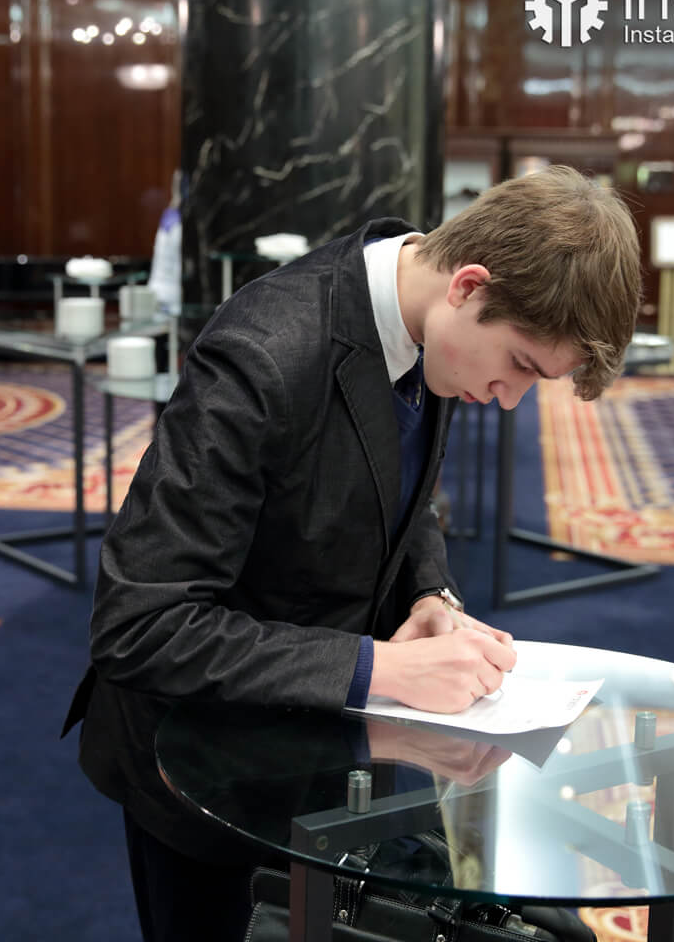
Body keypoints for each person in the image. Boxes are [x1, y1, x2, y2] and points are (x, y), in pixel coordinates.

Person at [61, 164, 643, 942]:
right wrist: (382, 669)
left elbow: (398, 490)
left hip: (330, 750)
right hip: (202, 770)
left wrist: (430, 596)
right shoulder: (263, 354)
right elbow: (142, 625)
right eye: (520, 367)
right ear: (468, 286)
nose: (510, 398)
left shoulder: (430, 325)